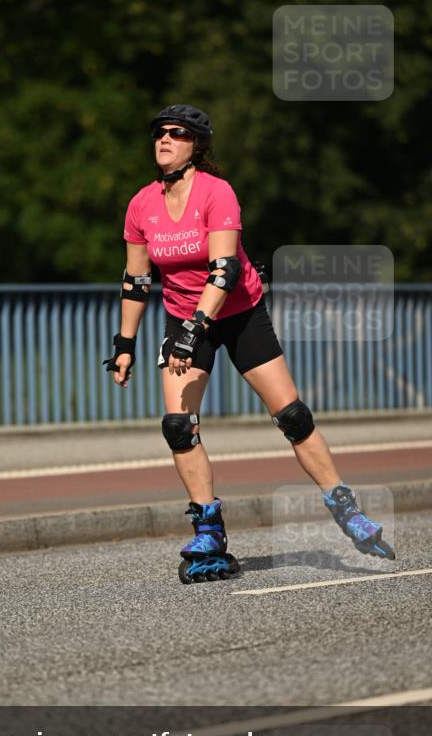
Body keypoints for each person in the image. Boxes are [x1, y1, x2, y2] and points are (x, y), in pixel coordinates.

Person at [104, 104, 394, 583]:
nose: (165, 140)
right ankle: (210, 533)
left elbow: (225, 270)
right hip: (183, 316)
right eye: (160, 133)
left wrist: (199, 325)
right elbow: (136, 282)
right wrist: (124, 343)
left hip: (238, 314)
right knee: (178, 425)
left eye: (177, 134)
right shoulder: (141, 205)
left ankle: (346, 508)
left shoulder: (217, 193)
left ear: (197, 145)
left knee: (292, 417)